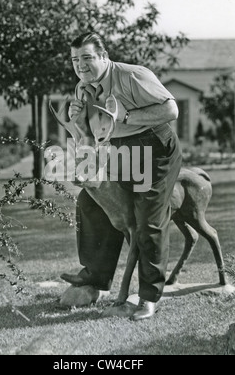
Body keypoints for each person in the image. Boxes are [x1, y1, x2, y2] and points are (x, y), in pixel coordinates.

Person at [61, 32, 182, 321]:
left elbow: (171, 109)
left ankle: (149, 297)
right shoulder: (83, 89)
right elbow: (92, 133)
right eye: (75, 60)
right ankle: (95, 277)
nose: (81, 66)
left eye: (87, 58)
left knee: (148, 220)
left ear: (104, 56)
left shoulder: (133, 76)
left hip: (155, 150)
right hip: (118, 151)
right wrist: (78, 122)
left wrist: (127, 117)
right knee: (89, 203)